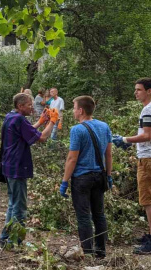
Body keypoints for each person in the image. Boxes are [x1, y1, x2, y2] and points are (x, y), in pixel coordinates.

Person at [112, 78, 151, 255]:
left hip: (148, 158)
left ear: (149, 91)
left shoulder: (149, 109)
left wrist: (125, 140)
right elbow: (143, 134)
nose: (136, 92)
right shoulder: (150, 108)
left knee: (147, 200)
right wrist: (129, 140)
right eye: (135, 89)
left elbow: (146, 136)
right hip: (150, 156)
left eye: (139, 90)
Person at [0, 93, 57, 247]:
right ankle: (14, 242)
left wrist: (40, 121)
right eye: (29, 105)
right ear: (20, 106)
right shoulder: (19, 119)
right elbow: (42, 138)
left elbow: (27, 132)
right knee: (19, 207)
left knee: (13, 204)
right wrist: (52, 121)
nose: (32, 107)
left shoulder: (11, 116)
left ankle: (5, 239)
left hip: (9, 165)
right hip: (17, 167)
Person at [59, 96, 112, 258]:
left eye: (74, 107)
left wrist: (64, 181)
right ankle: (101, 251)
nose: (73, 111)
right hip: (99, 177)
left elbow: (72, 158)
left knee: (83, 216)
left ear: (81, 110)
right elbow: (108, 155)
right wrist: (108, 176)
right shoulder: (104, 126)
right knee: (99, 214)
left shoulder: (77, 130)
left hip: (82, 179)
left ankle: (88, 252)